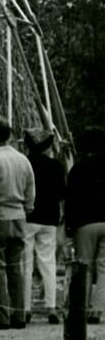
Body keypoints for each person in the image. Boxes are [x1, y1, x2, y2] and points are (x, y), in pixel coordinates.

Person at [0, 116, 35, 329]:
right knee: (15, 268)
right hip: (19, 216)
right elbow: (30, 192)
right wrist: (25, 208)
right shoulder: (23, 160)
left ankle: (0, 315)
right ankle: (18, 315)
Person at [23, 127, 66, 324]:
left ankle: (25, 307)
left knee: (26, 263)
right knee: (48, 262)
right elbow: (60, 194)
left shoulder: (25, 164)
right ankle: (51, 306)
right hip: (49, 218)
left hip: (28, 216)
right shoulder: (55, 166)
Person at [64, 125, 105, 325]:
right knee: (104, 267)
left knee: (85, 267)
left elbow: (71, 199)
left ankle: (82, 308)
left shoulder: (78, 169)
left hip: (85, 223)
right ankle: (99, 309)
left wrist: (69, 226)